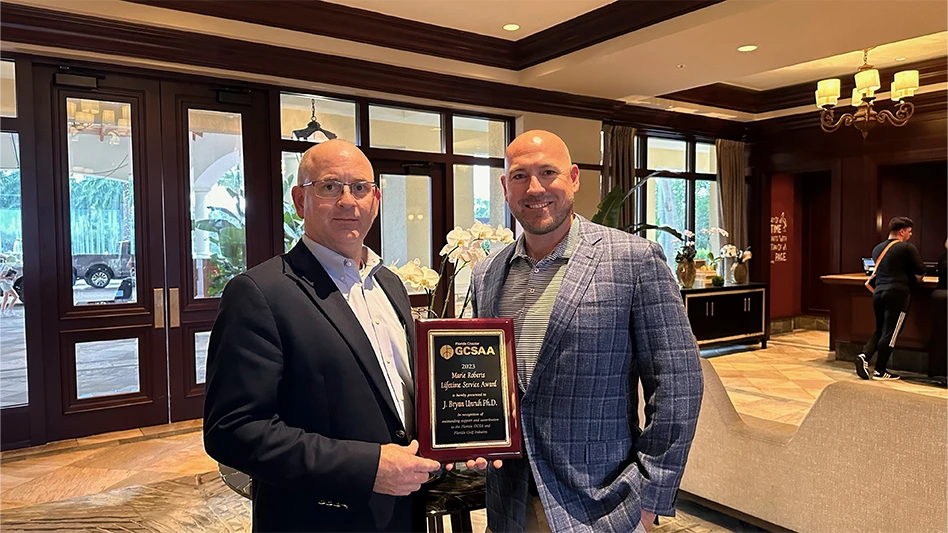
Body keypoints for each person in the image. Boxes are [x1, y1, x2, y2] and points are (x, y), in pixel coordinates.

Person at [203, 140, 445, 532]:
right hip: (319, 517)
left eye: (360, 188)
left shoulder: (390, 285)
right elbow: (232, 431)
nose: (348, 201)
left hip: (402, 514)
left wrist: (459, 439)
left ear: (376, 200)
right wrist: (366, 467)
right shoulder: (259, 292)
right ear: (300, 201)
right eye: (330, 187)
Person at [471, 130, 704, 532]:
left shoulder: (633, 260)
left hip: (603, 504)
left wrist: (652, 495)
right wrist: (475, 435)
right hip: (510, 503)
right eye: (520, 176)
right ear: (505, 187)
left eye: (548, 172)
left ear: (574, 178)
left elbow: (678, 384)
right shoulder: (487, 273)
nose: (536, 188)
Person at [856, 216, 926, 381]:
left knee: (880, 329)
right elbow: (921, 270)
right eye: (909, 231)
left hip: (878, 293)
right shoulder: (906, 248)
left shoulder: (877, 249)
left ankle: (864, 356)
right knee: (891, 332)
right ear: (902, 231)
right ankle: (880, 370)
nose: (910, 235)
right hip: (897, 293)